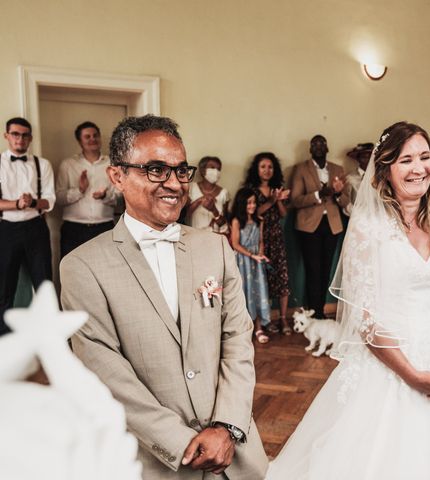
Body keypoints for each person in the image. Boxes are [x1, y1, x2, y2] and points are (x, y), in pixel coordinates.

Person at [266, 122, 430, 479]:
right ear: (386, 170)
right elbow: (364, 319)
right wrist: (412, 376)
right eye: (406, 159)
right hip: (388, 362)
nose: (418, 167)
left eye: (424, 157)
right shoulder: (368, 227)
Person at [60, 115, 268, 479]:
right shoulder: (81, 266)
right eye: (156, 170)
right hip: (151, 462)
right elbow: (105, 371)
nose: (174, 184)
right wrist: (180, 441)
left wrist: (227, 426)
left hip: (233, 454)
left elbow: (237, 339)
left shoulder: (215, 248)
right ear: (117, 176)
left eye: (180, 170)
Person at [0, 117, 55, 335]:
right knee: (4, 287)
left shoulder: (43, 164)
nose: (20, 139)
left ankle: (48, 335)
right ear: (7, 136)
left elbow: (50, 201)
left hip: (36, 228)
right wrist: (16, 204)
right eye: (15, 134)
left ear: (30, 138)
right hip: (6, 230)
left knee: (44, 285)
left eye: (24, 135)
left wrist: (32, 202)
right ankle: (4, 338)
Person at [290, 134, 349, 317]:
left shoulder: (337, 169)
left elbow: (345, 200)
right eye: (314, 144)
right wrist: (319, 194)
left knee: (326, 269)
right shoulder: (301, 169)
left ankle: (321, 309)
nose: (318, 147)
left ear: (327, 148)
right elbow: (296, 200)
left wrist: (338, 194)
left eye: (322, 143)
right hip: (309, 226)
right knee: (312, 269)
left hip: (332, 225)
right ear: (310, 149)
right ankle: (314, 312)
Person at [244, 152, 291, 334]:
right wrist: (271, 200)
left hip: (277, 238)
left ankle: (283, 318)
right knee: (262, 280)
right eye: (263, 166)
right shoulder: (251, 190)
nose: (267, 170)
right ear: (257, 169)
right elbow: (254, 214)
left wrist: (278, 201)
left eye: (270, 167)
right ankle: (265, 320)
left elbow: (283, 214)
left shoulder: (277, 188)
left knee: (282, 278)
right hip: (258, 240)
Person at [56, 121, 119, 258]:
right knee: (72, 272)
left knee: (106, 269)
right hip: (73, 229)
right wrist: (79, 190)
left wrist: (105, 196)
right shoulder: (68, 164)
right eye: (87, 136)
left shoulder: (112, 164)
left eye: (95, 135)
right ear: (80, 141)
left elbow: (120, 196)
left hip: (104, 227)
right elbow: (59, 198)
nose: (92, 139)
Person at [230, 187, 274, 344]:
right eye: (249, 203)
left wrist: (261, 255)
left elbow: (261, 240)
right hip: (243, 262)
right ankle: (243, 329)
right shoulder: (236, 221)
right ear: (242, 204)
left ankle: (258, 327)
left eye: (254, 202)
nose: (252, 206)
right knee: (244, 293)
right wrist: (252, 255)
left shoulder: (258, 220)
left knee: (259, 293)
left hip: (256, 263)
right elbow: (235, 244)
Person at [186, 156, 229, 235]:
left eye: (218, 169)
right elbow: (184, 215)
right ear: (202, 170)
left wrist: (214, 210)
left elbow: (224, 224)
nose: (216, 171)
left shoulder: (224, 193)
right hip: (193, 236)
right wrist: (200, 200)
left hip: (214, 238)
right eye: (212, 167)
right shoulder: (191, 188)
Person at [343, 142, 373, 217]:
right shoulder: (350, 178)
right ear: (358, 159)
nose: (367, 160)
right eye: (363, 157)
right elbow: (347, 201)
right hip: (357, 218)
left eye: (369, 157)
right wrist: (357, 215)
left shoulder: (379, 177)